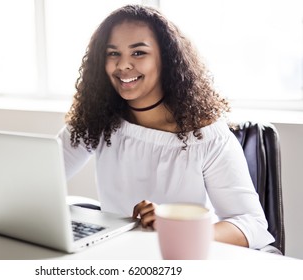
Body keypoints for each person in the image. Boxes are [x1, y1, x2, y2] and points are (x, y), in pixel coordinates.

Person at [58, 4, 274, 249]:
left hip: (181, 259)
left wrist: (178, 229)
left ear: (167, 58)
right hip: (117, 255)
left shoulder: (206, 137)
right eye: (113, 53)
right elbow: (39, 177)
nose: (123, 65)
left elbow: (252, 225)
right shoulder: (97, 120)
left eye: (138, 53)